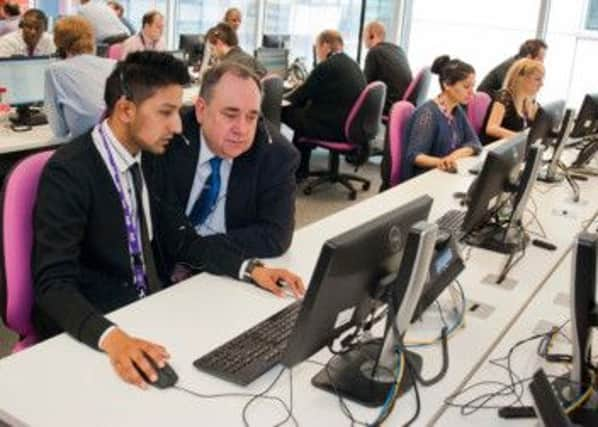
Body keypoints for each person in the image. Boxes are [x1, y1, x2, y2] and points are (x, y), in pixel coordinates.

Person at [32, 51, 304, 389]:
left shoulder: (148, 157)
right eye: (166, 113)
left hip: (147, 310)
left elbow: (180, 239)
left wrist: (251, 269)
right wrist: (113, 339)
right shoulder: (70, 172)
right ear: (126, 110)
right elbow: (52, 285)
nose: (178, 126)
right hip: (92, 326)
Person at [162, 62, 299, 259]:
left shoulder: (277, 155)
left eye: (252, 117)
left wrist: (197, 249)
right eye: (230, 114)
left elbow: (276, 236)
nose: (242, 129)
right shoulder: (169, 136)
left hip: (225, 265)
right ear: (201, 110)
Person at [281, 29, 366, 181]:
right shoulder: (351, 64)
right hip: (350, 126)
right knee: (303, 113)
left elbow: (299, 97)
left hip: (335, 128)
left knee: (285, 111)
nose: (318, 52)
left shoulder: (327, 66)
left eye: (317, 47)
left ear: (325, 46)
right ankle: (299, 170)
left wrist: (279, 97)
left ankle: (295, 171)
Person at [401, 55, 481, 181]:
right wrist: (441, 162)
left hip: (443, 175)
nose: (472, 92)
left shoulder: (456, 110)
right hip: (423, 180)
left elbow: (475, 143)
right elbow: (415, 156)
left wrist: (454, 156)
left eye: (473, 86)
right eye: (466, 87)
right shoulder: (428, 114)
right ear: (447, 84)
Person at [44, 16, 115, 139]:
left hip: (87, 146)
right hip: (120, 143)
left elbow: (60, 131)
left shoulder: (55, 70)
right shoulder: (114, 64)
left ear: (59, 43)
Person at [480, 58, 544, 145]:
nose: (541, 84)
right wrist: (520, 138)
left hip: (512, 149)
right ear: (522, 78)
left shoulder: (528, 101)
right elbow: (491, 128)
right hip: (496, 149)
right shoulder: (504, 97)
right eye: (537, 79)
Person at [362, 21, 412, 115]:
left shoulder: (374, 52)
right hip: (403, 106)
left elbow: (364, 86)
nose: (363, 39)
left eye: (364, 35)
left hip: (389, 107)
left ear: (371, 36)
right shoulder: (398, 49)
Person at [478, 39, 547, 98]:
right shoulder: (511, 67)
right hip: (487, 102)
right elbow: (511, 93)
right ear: (529, 57)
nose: (542, 62)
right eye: (540, 59)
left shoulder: (521, 66)